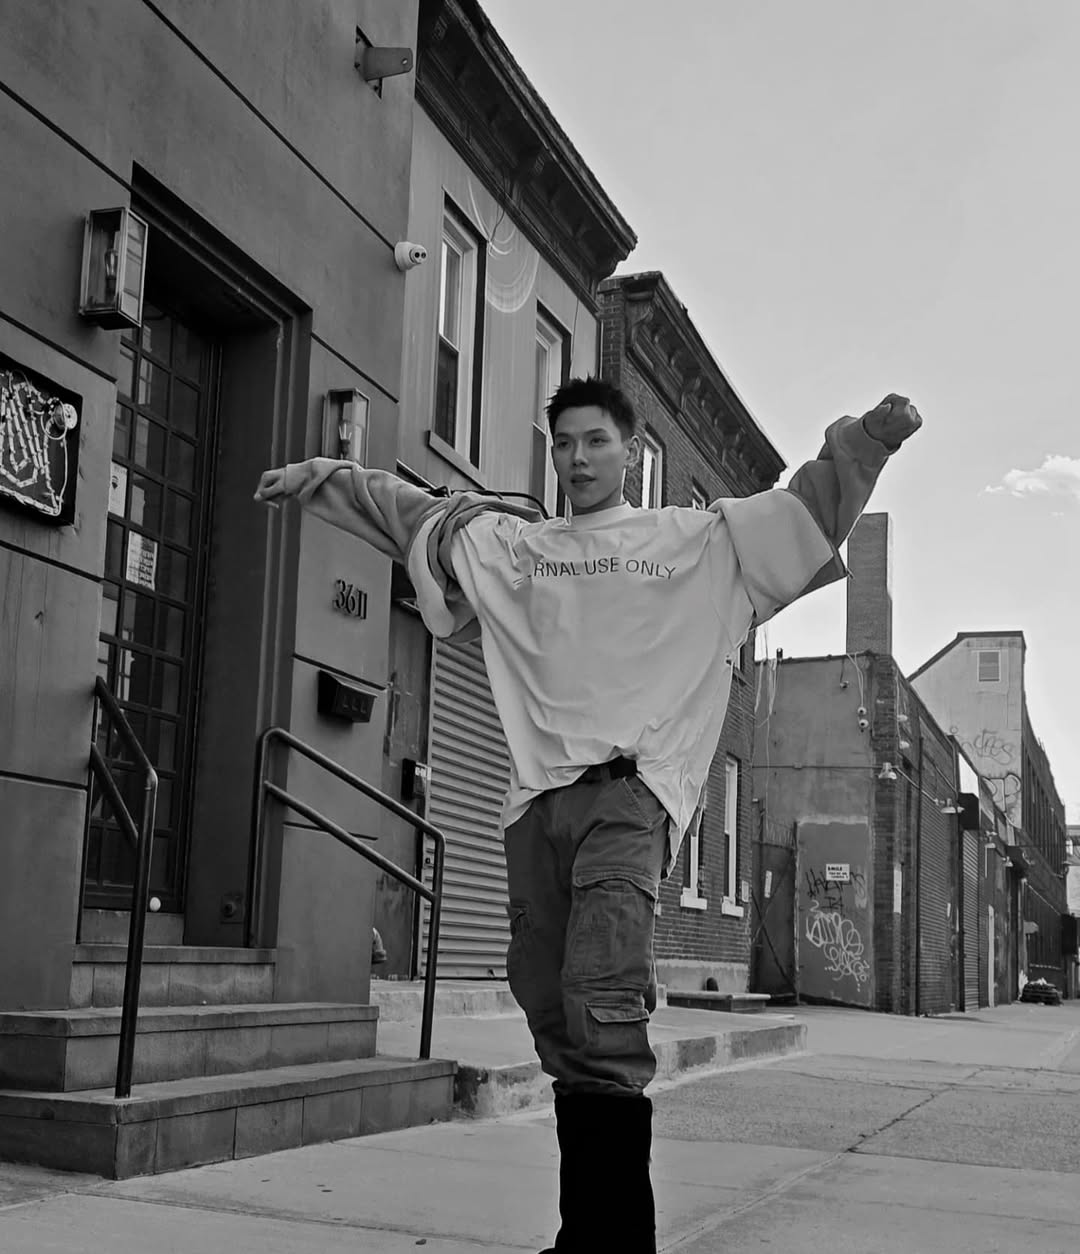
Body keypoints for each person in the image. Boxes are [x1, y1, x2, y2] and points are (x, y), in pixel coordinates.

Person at [255, 378, 921, 1253]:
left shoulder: (694, 542)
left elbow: (808, 507)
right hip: (536, 806)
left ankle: (621, 1243)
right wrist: (324, 476)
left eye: (596, 441)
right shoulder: (519, 550)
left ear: (630, 452)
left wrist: (868, 440)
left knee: (602, 1000)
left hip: (629, 794)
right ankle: (587, 1237)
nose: (578, 458)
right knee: (553, 1008)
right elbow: (413, 514)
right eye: (564, 443)